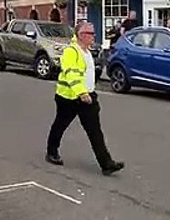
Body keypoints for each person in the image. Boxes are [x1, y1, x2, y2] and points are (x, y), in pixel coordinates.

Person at [45, 22, 125, 176]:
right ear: (81, 35)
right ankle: (51, 152)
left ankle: (106, 164)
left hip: (88, 97)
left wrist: (90, 91)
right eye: (91, 33)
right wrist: (82, 93)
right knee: (60, 125)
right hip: (68, 97)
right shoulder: (71, 52)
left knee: (95, 131)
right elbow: (71, 74)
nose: (94, 36)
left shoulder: (87, 51)